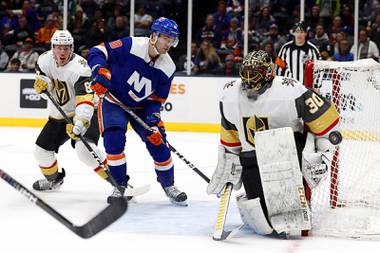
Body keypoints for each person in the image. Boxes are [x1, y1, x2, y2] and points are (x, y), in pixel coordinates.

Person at [207, 50, 340, 237]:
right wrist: (229, 159)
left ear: (268, 73)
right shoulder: (229, 93)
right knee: (263, 223)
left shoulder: (290, 89)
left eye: (254, 74)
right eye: (245, 74)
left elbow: (326, 121)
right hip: (251, 157)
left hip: (287, 155)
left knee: (290, 219)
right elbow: (229, 130)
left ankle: (299, 199)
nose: (248, 80)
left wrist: (321, 154)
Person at [87, 17, 187, 206]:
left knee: (159, 143)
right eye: (166, 38)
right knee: (113, 141)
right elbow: (98, 51)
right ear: (154, 35)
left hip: (141, 107)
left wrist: (153, 120)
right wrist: (99, 70)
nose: (169, 43)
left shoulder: (168, 67)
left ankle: (169, 185)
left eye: (172, 39)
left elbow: (156, 100)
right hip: (113, 101)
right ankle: (120, 185)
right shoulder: (131, 44)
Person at [32, 30, 109, 192]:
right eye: (59, 48)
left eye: (66, 48)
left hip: (86, 113)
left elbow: (85, 100)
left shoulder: (81, 68)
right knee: (41, 152)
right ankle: (54, 180)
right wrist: (44, 82)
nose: (62, 52)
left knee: (85, 151)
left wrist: (80, 123)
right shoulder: (44, 60)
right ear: (52, 48)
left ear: (72, 48)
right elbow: (48, 81)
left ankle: (120, 183)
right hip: (59, 115)